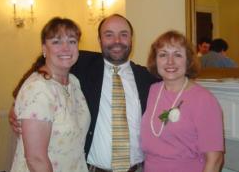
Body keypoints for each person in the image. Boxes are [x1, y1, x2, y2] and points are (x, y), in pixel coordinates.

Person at [9, 14, 158, 172]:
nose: (117, 41)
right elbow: (44, 65)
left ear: (131, 39)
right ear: (99, 40)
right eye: (109, 35)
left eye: (123, 34)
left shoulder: (147, 78)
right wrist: (17, 104)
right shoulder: (83, 64)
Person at [10, 17, 90, 172]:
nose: (66, 48)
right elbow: (36, 159)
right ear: (44, 49)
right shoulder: (38, 89)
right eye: (56, 42)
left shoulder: (74, 83)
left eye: (72, 41)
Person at [140, 30, 224, 172]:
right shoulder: (152, 91)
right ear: (155, 60)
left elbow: (215, 160)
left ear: (188, 60)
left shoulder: (204, 99)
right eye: (163, 54)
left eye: (177, 54)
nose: (170, 61)